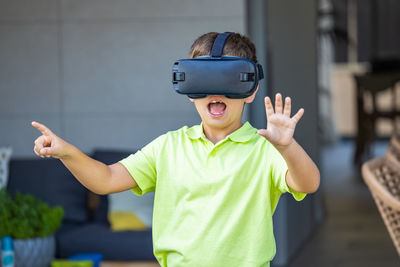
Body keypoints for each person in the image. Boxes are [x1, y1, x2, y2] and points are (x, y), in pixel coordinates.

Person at [32, 32, 320, 267]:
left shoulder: (265, 149)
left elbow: (308, 184)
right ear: (187, 87)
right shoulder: (168, 146)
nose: (215, 93)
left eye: (228, 80)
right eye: (204, 80)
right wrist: (66, 152)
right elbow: (106, 179)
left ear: (251, 89)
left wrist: (287, 146)